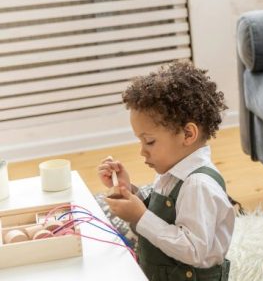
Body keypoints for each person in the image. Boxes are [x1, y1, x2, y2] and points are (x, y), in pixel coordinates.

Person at [98, 61, 234, 281]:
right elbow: (163, 213)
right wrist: (129, 191)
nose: (142, 151)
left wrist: (139, 216)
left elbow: (194, 250)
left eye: (149, 141)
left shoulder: (198, 186)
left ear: (187, 135)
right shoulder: (172, 170)